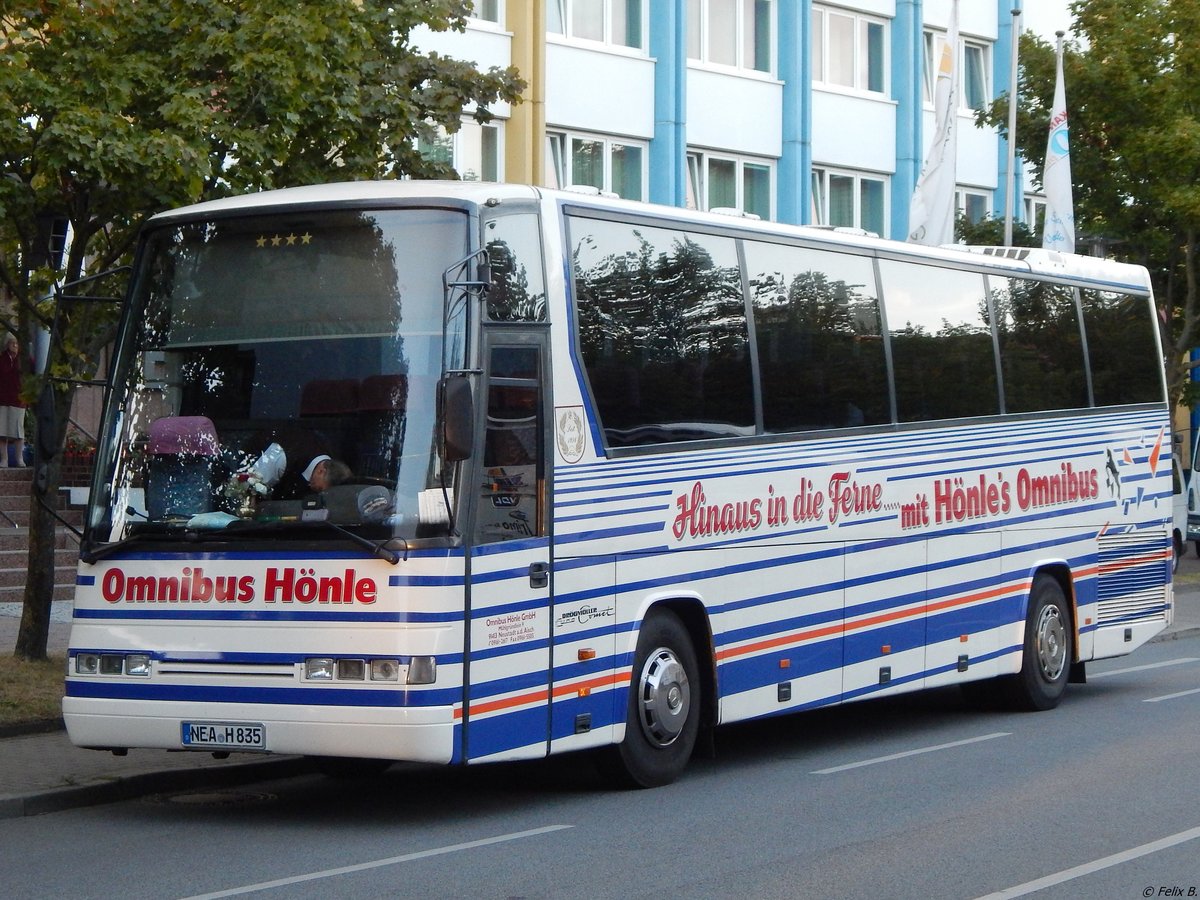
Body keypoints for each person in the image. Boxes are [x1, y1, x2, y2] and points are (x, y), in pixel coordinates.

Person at [240, 426, 349, 499]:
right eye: (320, 489)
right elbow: (249, 489)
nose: (318, 493)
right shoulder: (280, 456)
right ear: (321, 471)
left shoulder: (331, 454)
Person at [0, 333, 26, 468]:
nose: (15, 346)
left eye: (16, 343)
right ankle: (4, 460)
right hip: (2, 399)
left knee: (18, 431)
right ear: (7, 344)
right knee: (2, 431)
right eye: (12, 343)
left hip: (19, 399)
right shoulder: (2, 359)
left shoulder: (24, 359)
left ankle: (19, 459)